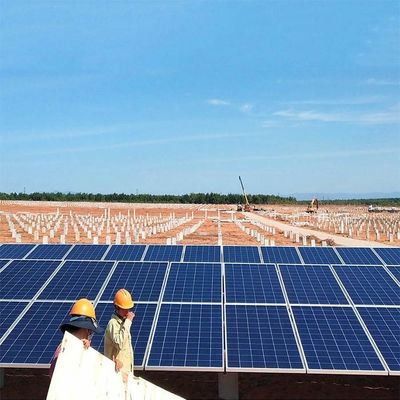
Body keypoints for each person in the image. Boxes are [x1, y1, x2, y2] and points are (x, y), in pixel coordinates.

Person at [49, 298, 103, 378]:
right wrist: (77, 349)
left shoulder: (72, 347)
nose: (90, 334)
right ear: (85, 329)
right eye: (90, 331)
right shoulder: (63, 349)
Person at [104, 289, 135, 378]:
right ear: (117, 308)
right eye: (124, 309)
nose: (127, 311)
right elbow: (119, 343)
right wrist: (128, 321)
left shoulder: (123, 325)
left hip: (125, 375)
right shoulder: (113, 323)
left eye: (128, 309)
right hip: (115, 375)